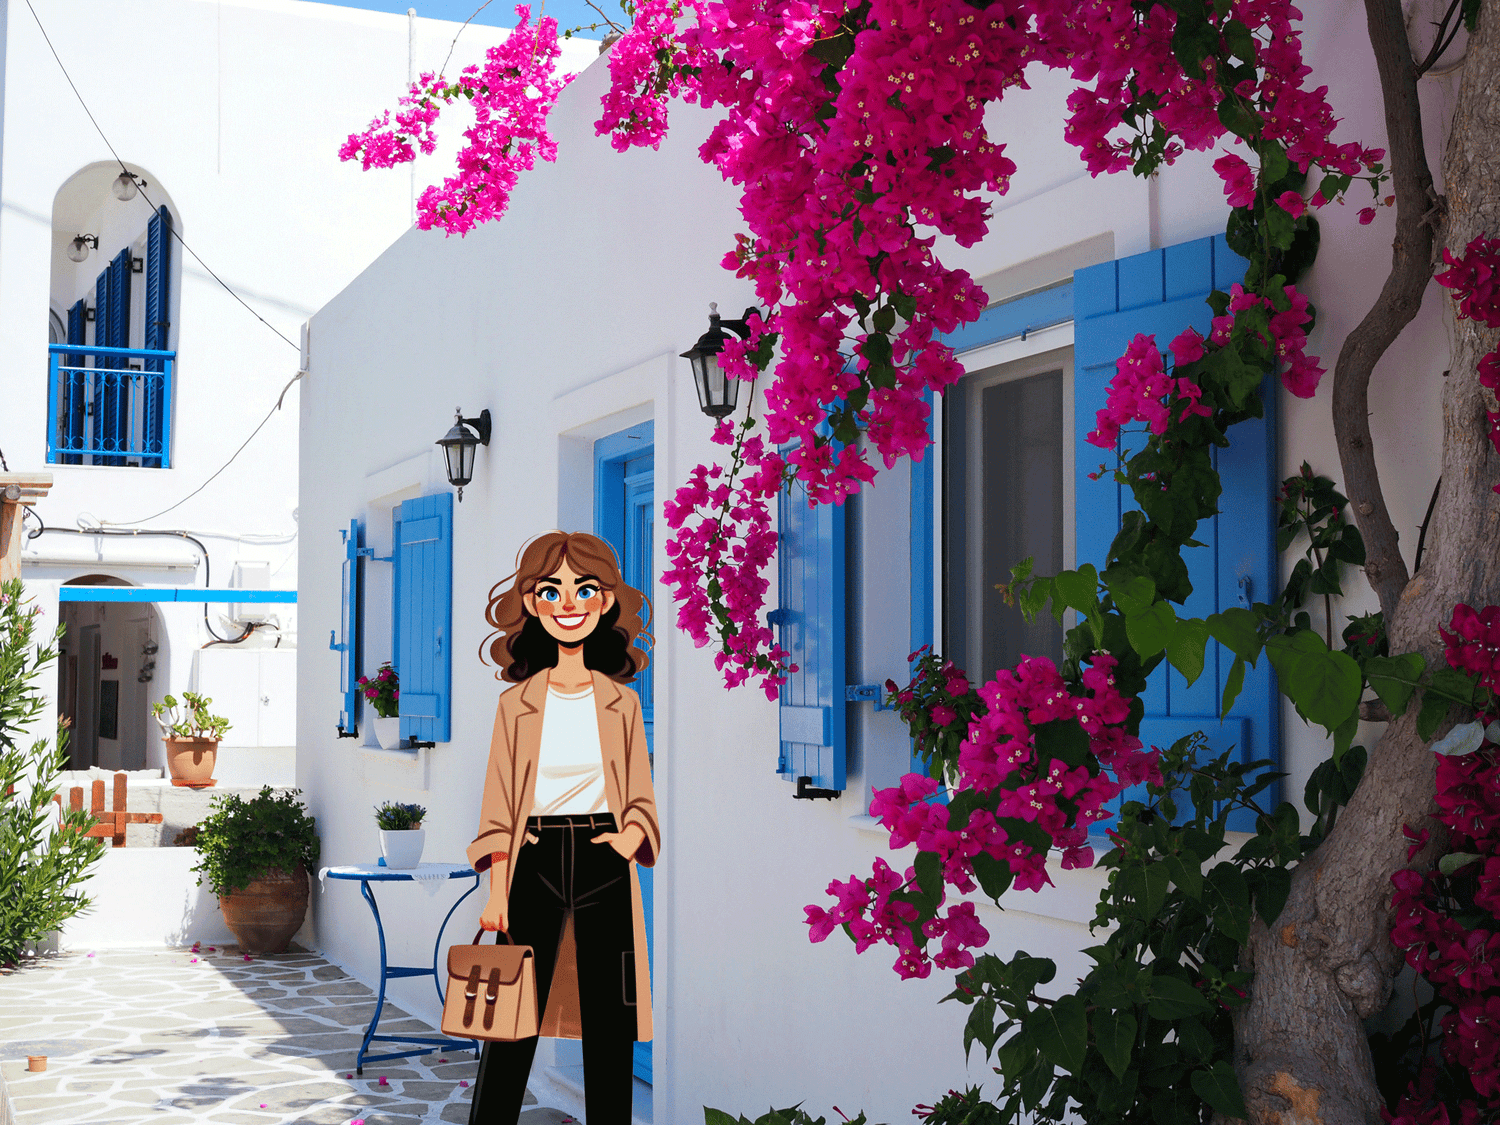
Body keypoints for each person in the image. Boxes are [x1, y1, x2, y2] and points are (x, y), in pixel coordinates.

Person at [464, 531, 659, 1125]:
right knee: (511, 1019)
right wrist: (497, 892)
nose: (568, 603)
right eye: (551, 590)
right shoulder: (515, 704)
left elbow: (640, 795)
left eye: (584, 589)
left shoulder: (621, 703)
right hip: (533, 856)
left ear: (604, 603)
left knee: (611, 1021)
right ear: (531, 603)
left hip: (603, 854)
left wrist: (626, 840)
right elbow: (498, 804)